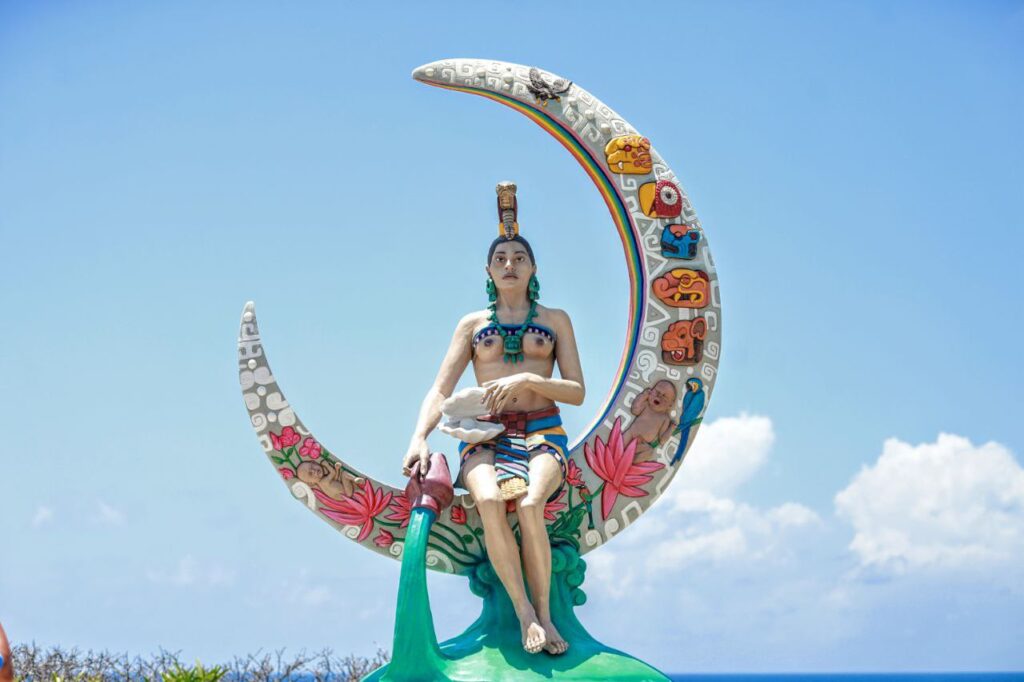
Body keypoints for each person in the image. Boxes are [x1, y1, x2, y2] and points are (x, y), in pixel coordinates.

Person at [402, 182, 585, 656]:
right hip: (484, 432)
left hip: (542, 429)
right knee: (486, 497)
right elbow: (440, 389)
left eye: (518, 258)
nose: (509, 265)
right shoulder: (472, 325)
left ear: (533, 268)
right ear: (487, 269)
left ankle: (546, 613)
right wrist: (419, 438)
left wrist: (529, 377)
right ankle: (525, 613)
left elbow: (577, 391)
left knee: (528, 505)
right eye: (500, 258)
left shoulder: (556, 320)